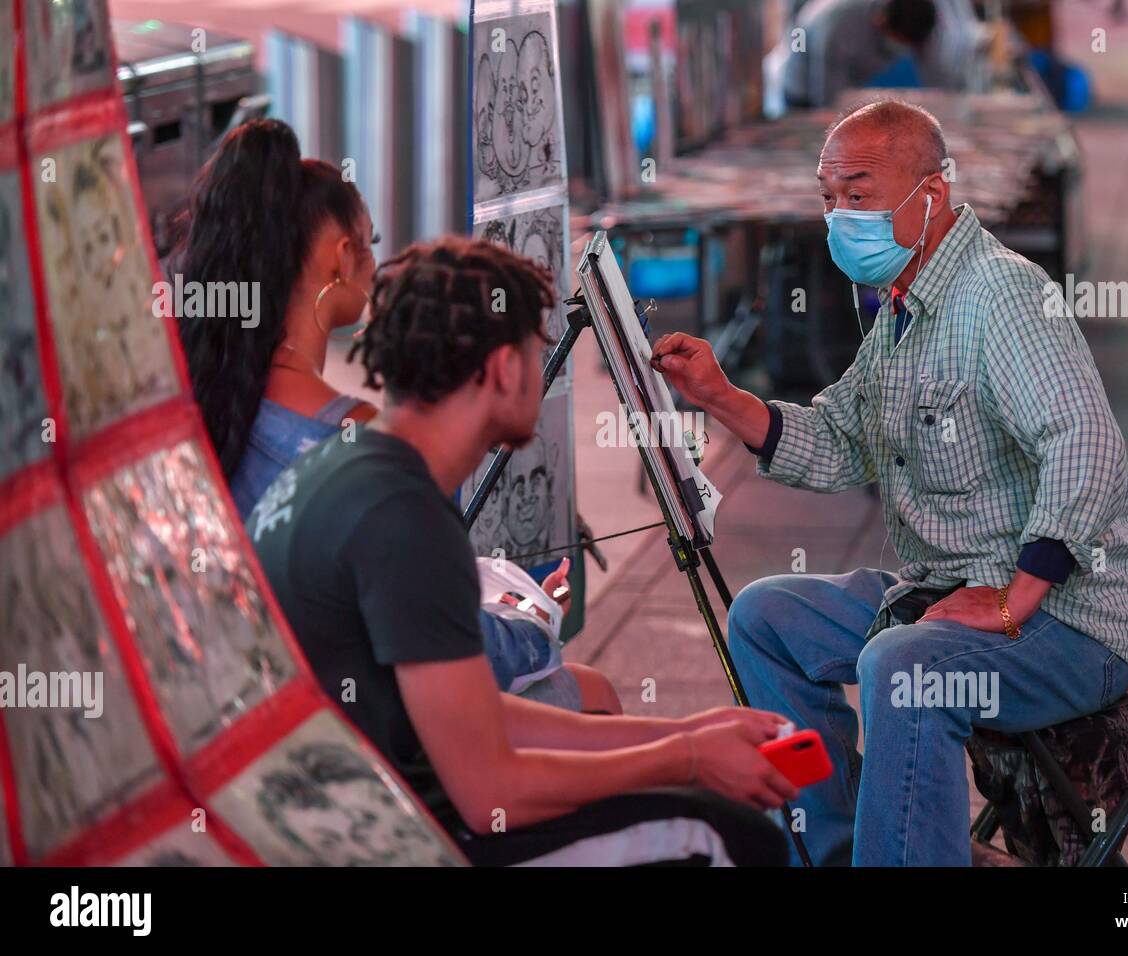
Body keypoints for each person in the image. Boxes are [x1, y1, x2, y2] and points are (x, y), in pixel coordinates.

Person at [651, 99, 1128, 866]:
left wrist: (1018, 595)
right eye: (829, 198)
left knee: (901, 665)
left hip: (1069, 620)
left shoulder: (1000, 296)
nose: (839, 216)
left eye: (859, 194)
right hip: (941, 590)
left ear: (932, 194)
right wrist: (721, 397)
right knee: (765, 616)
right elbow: (845, 442)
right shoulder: (903, 306)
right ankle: (843, 846)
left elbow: (1085, 444)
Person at [246, 236, 794, 865]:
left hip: (353, 811)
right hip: (391, 839)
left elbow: (480, 714)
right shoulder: (402, 516)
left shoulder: (355, 470)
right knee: (732, 836)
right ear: (504, 367)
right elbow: (490, 794)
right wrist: (691, 760)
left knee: (674, 785)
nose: (545, 371)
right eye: (537, 352)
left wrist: (689, 733)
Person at [170, 120, 610, 713]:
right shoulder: (359, 448)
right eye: (371, 244)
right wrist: (532, 619)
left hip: (237, 698)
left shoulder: (201, 396)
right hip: (344, 717)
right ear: (341, 256)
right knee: (592, 692)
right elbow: (447, 656)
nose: (374, 266)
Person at [780, 0, 980, 109]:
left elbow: (939, 82)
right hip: (802, 90)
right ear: (881, 21)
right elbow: (825, 100)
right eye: (899, 40)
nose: (900, 48)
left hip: (840, 84)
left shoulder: (915, 19)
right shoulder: (840, 22)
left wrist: (951, 108)